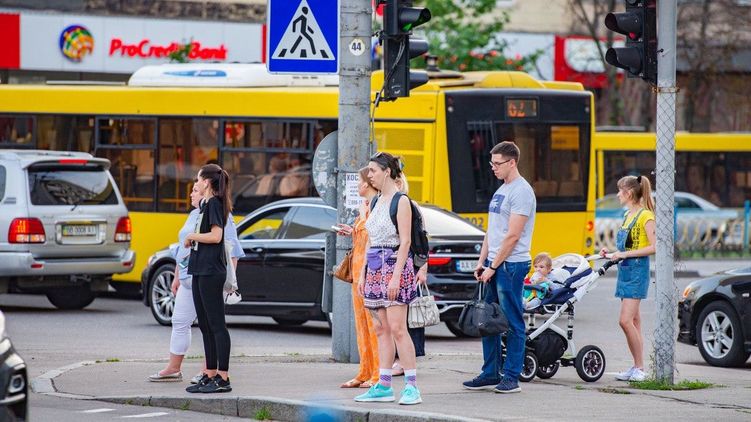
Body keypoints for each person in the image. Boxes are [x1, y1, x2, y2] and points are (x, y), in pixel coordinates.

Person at [147, 183, 244, 384]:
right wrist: (176, 276)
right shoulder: (194, 214)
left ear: (206, 191)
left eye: (195, 190)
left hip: (208, 276)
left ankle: (209, 370)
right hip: (188, 277)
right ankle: (173, 368)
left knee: (210, 324)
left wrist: (229, 282)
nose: (190, 194)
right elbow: (183, 249)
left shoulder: (221, 215)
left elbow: (231, 250)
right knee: (180, 321)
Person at [462, 141, 536, 394]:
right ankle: (490, 372)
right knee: (486, 319)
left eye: (497, 163)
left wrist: (493, 265)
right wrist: (482, 262)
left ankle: (511, 377)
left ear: (512, 162)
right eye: (491, 163)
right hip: (494, 264)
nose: (493, 167)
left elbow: (513, 236)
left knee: (512, 321)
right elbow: (491, 232)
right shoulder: (501, 190)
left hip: (511, 265)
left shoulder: (522, 192)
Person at [354, 152, 422, 405]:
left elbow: (405, 242)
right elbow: (370, 240)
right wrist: (363, 273)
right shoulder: (375, 202)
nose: (369, 175)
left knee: (398, 328)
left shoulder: (401, 201)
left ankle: (412, 387)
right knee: (381, 329)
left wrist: (395, 278)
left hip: (395, 267)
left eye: (373, 170)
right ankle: (383, 385)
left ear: (387, 172)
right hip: (374, 268)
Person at [599, 175, 656, 382]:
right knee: (634, 321)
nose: (617, 195)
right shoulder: (628, 215)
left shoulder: (645, 216)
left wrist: (623, 254)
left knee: (625, 321)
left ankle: (640, 368)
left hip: (637, 271)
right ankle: (636, 367)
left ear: (629, 193)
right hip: (626, 270)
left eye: (620, 191)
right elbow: (628, 246)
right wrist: (610, 254)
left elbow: (654, 247)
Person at [184, 163, 234, 393]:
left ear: (206, 182)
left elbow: (216, 236)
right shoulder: (206, 204)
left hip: (211, 270)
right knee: (205, 324)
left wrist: (192, 235)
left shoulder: (214, 203)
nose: (196, 183)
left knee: (216, 325)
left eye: (198, 179)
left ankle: (223, 377)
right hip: (200, 268)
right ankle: (210, 373)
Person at [335, 167, 381, 389]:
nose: (356, 186)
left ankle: (377, 374)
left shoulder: (376, 206)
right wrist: (351, 230)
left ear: (367, 184)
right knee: (361, 325)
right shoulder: (365, 206)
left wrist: (362, 218)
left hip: (370, 272)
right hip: (358, 273)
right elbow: (363, 235)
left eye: (359, 182)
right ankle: (365, 371)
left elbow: (375, 235)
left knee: (373, 326)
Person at [391, 173, 427, 376]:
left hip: (409, 264)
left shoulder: (409, 205)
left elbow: (421, 239)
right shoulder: (386, 204)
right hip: (395, 264)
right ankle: (398, 359)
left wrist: (422, 268)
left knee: (408, 318)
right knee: (397, 318)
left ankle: (405, 361)